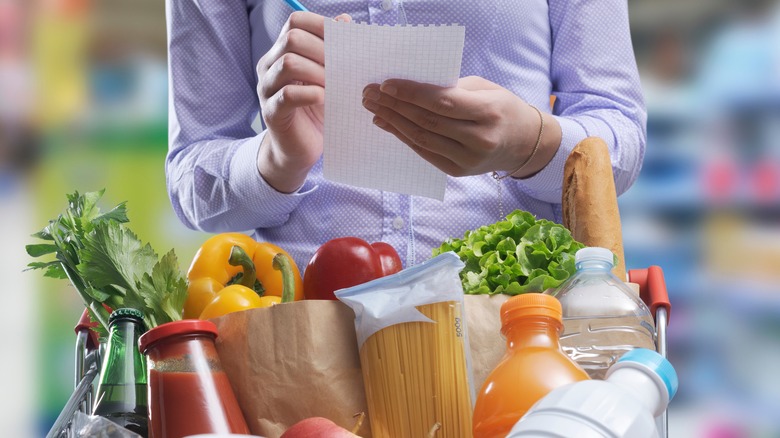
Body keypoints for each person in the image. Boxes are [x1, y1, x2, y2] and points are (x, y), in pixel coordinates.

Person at [164, 1, 646, 271]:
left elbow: (619, 131)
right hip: (308, 326)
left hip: (512, 311)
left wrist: (532, 144)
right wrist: (275, 162)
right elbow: (191, 176)